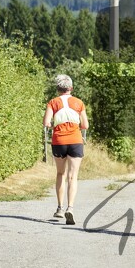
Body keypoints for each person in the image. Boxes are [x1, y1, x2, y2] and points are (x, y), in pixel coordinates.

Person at [43, 74, 89, 225]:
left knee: (60, 173)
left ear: (57, 89)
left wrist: (55, 123)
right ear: (71, 88)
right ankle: (71, 207)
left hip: (59, 141)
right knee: (72, 176)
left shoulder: (53, 102)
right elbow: (85, 125)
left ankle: (60, 208)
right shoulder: (79, 102)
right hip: (75, 140)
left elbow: (46, 123)